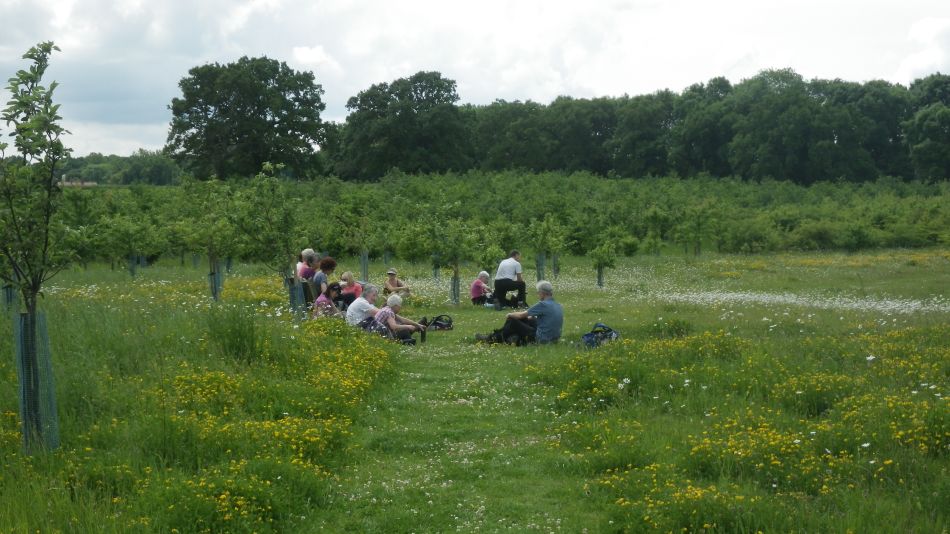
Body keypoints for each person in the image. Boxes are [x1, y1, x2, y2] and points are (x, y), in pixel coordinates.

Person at [475, 280, 562, 345]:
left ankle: (492, 338)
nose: (537, 294)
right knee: (527, 319)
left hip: (541, 339)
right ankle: (512, 338)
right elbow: (539, 318)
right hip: (554, 339)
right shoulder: (557, 305)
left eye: (538, 292)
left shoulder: (543, 304)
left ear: (543, 293)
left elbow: (522, 315)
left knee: (513, 320)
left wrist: (510, 314)